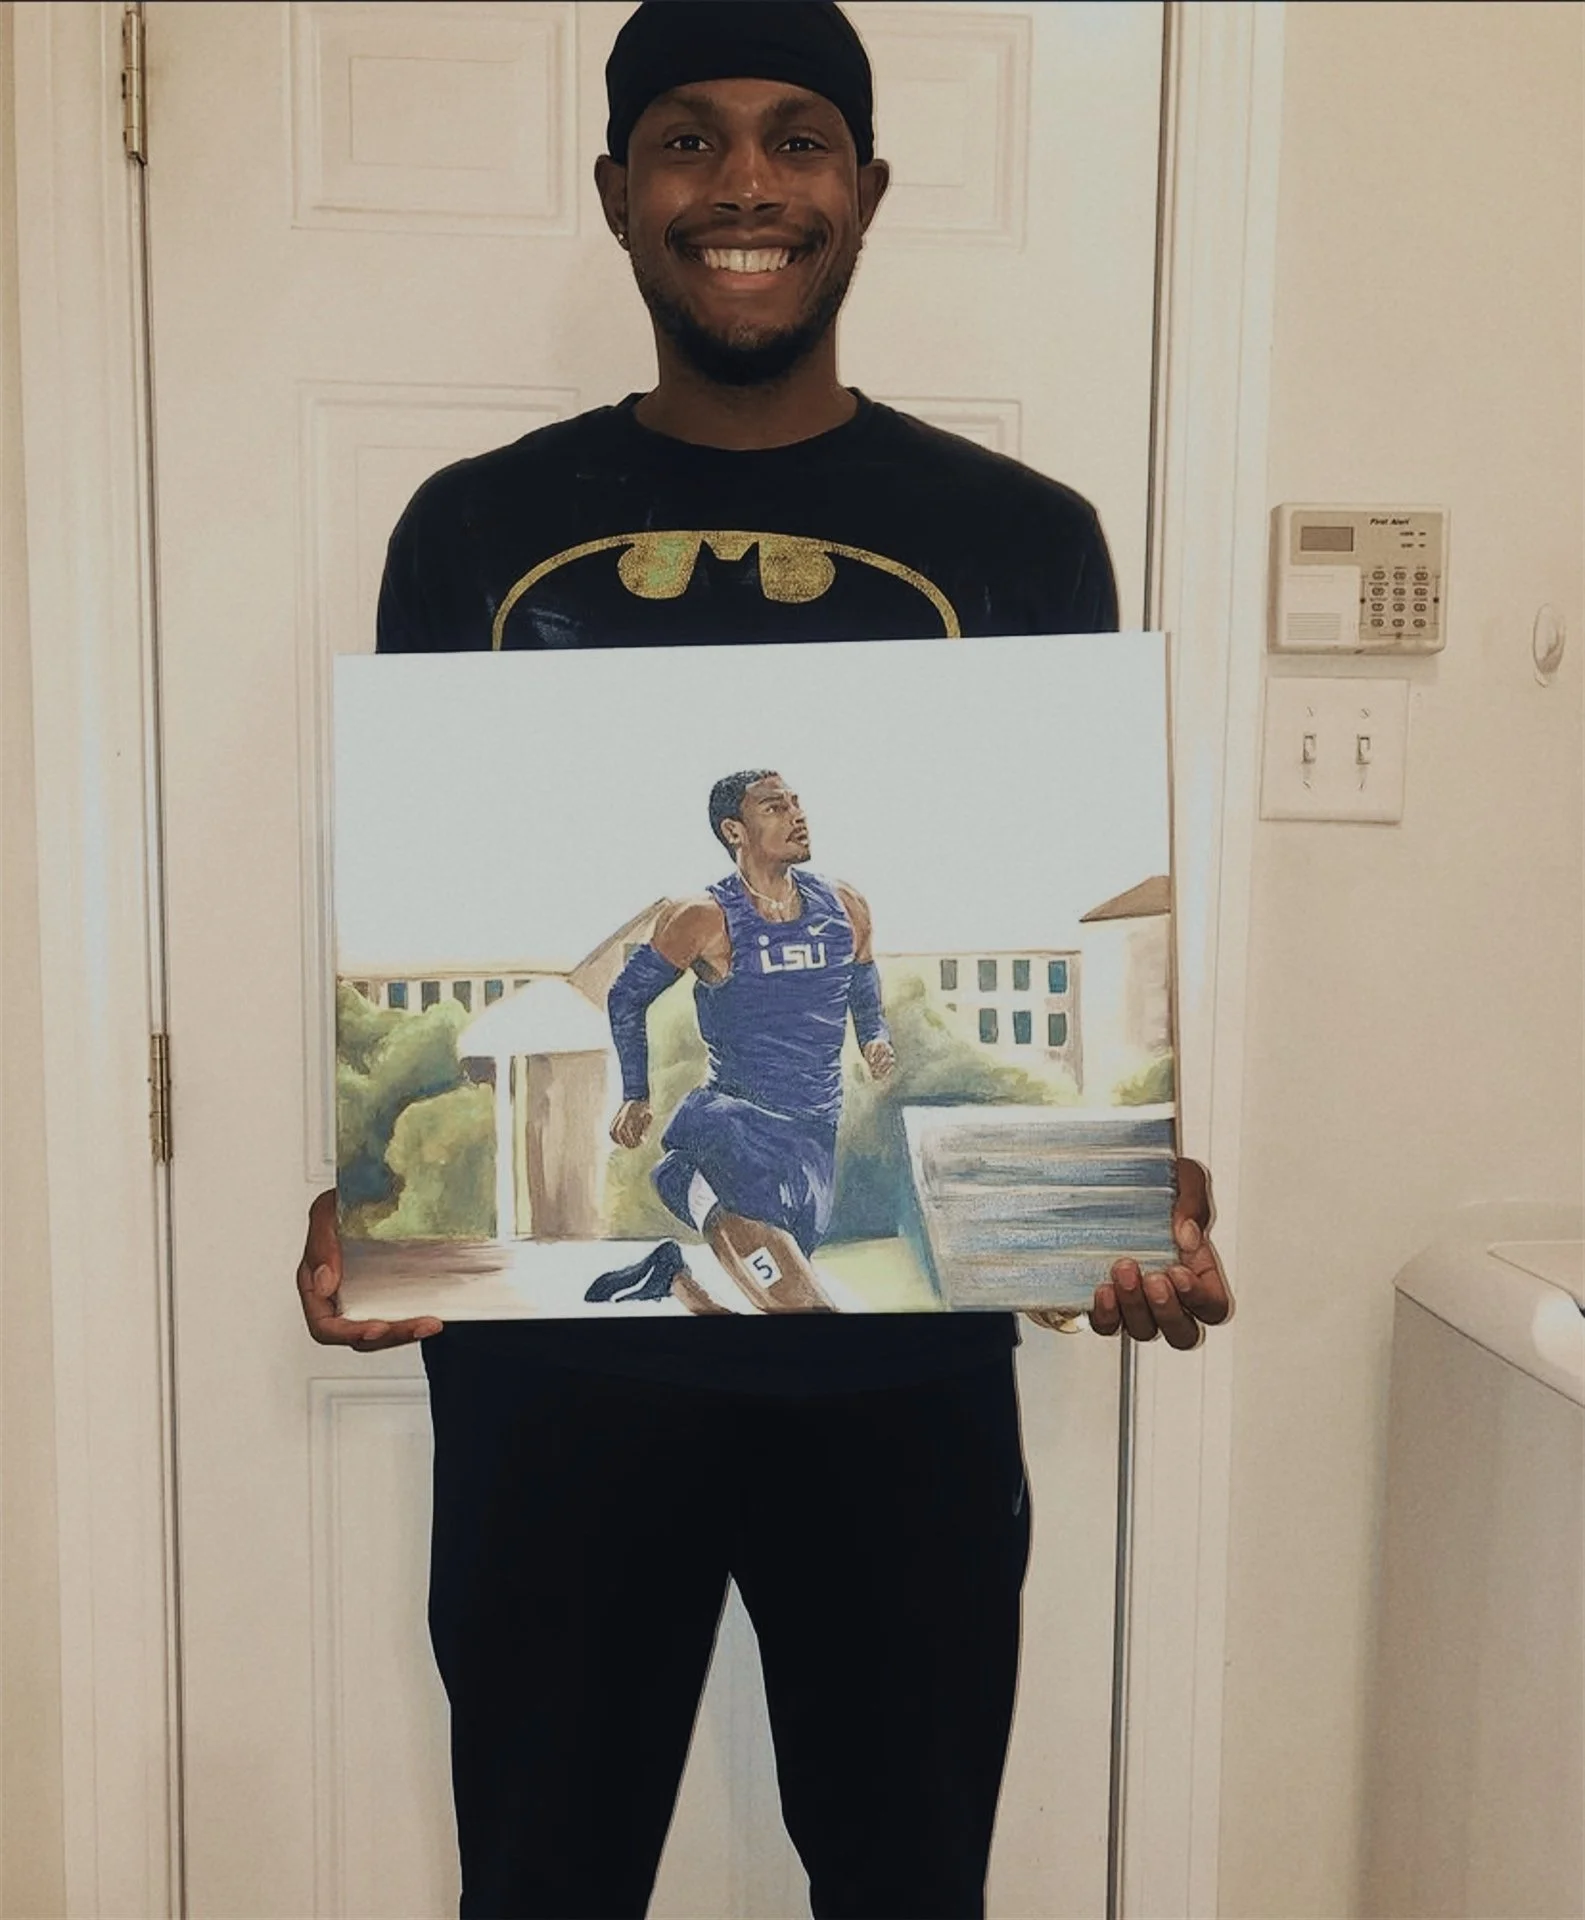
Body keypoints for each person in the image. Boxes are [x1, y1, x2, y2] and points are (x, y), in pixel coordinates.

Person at [295, 6, 1233, 1916]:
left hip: (901, 1387)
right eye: (690, 141)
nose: (744, 184)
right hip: (557, 1394)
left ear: (866, 190)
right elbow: (443, 932)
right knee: (544, 1881)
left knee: (906, 1886)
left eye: (798, 140)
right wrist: (398, 1188)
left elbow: (1047, 949)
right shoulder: (469, 536)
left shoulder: (1021, 539)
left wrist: (1107, 1179)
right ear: (619, 194)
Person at [590, 768, 894, 1315]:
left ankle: (675, 1280)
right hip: (738, 1132)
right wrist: (636, 1093)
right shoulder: (701, 917)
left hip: (814, 1139)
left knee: (776, 1328)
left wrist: (873, 1034)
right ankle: (690, 1191)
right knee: (807, 1318)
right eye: (776, 808)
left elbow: (863, 975)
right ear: (735, 831)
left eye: (797, 802)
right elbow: (625, 997)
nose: (798, 815)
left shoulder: (845, 905)